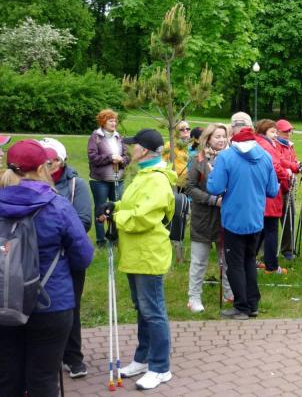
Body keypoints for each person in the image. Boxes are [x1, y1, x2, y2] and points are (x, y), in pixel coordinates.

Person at [0, 139, 94, 396]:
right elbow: (84, 256)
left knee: (7, 378)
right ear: (43, 167)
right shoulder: (57, 205)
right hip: (51, 301)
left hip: (4, 299)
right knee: (43, 379)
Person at [97, 128, 176, 390]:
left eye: (133, 146)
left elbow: (143, 217)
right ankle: (143, 359)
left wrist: (117, 218)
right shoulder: (143, 175)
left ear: (143, 150)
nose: (129, 149)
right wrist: (114, 207)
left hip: (148, 254)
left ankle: (160, 367)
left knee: (153, 311)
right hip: (136, 254)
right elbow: (133, 206)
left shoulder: (157, 179)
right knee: (143, 309)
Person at [207, 112, 279, 320]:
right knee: (249, 261)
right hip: (256, 219)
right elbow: (272, 190)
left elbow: (215, 187)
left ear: (233, 140)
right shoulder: (265, 156)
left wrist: (215, 173)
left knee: (235, 265)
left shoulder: (227, 157)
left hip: (233, 220)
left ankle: (242, 307)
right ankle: (253, 304)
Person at [39, 138, 93, 379]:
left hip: (68, 256)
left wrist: (54, 234)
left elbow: (83, 221)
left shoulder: (75, 185)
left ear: (61, 160)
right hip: (39, 258)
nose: (47, 165)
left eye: (51, 160)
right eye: (43, 160)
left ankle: (72, 357)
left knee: (70, 307)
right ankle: (45, 356)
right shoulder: (30, 183)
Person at [186, 123, 233, 313]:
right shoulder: (198, 159)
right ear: (208, 139)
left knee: (227, 258)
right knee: (199, 260)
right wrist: (212, 200)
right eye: (217, 136)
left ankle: (229, 292)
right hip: (203, 217)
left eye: (224, 136)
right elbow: (190, 188)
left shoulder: (232, 158)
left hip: (226, 218)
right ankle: (194, 297)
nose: (221, 140)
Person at [88, 109, 129, 247]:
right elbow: (93, 158)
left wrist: (121, 160)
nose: (114, 123)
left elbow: (127, 157)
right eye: (110, 120)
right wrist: (110, 157)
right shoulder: (96, 137)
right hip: (100, 180)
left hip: (118, 179)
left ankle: (114, 236)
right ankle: (101, 240)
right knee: (101, 209)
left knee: (116, 208)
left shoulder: (119, 137)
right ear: (103, 122)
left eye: (115, 120)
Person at [254, 119, 289, 275]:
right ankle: (272, 266)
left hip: (265, 193)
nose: (275, 135)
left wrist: (294, 166)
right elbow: (275, 166)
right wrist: (286, 175)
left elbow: (280, 160)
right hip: (269, 193)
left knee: (262, 230)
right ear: (263, 132)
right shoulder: (265, 145)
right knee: (271, 230)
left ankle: (252, 260)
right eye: (272, 132)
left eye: (276, 132)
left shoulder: (266, 143)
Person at [274, 119, 300, 260]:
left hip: (288, 186)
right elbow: (280, 162)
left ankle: (287, 249)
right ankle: (264, 251)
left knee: (289, 217)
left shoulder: (290, 145)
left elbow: (293, 160)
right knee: (271, 221)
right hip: (277, 188)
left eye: (290, 130)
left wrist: (296, 165)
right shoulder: (275, 145)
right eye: (285, 131)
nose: (289, 133)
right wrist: (294, 166)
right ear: (277, 131)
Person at [162, 120, 192, 191]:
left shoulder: (192, 145)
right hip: (177, 183)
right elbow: (162, 162)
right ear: (176, 132)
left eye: (187, 129)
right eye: (182, 129)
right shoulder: (171, 145)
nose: (185, 131)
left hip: (191, 182)